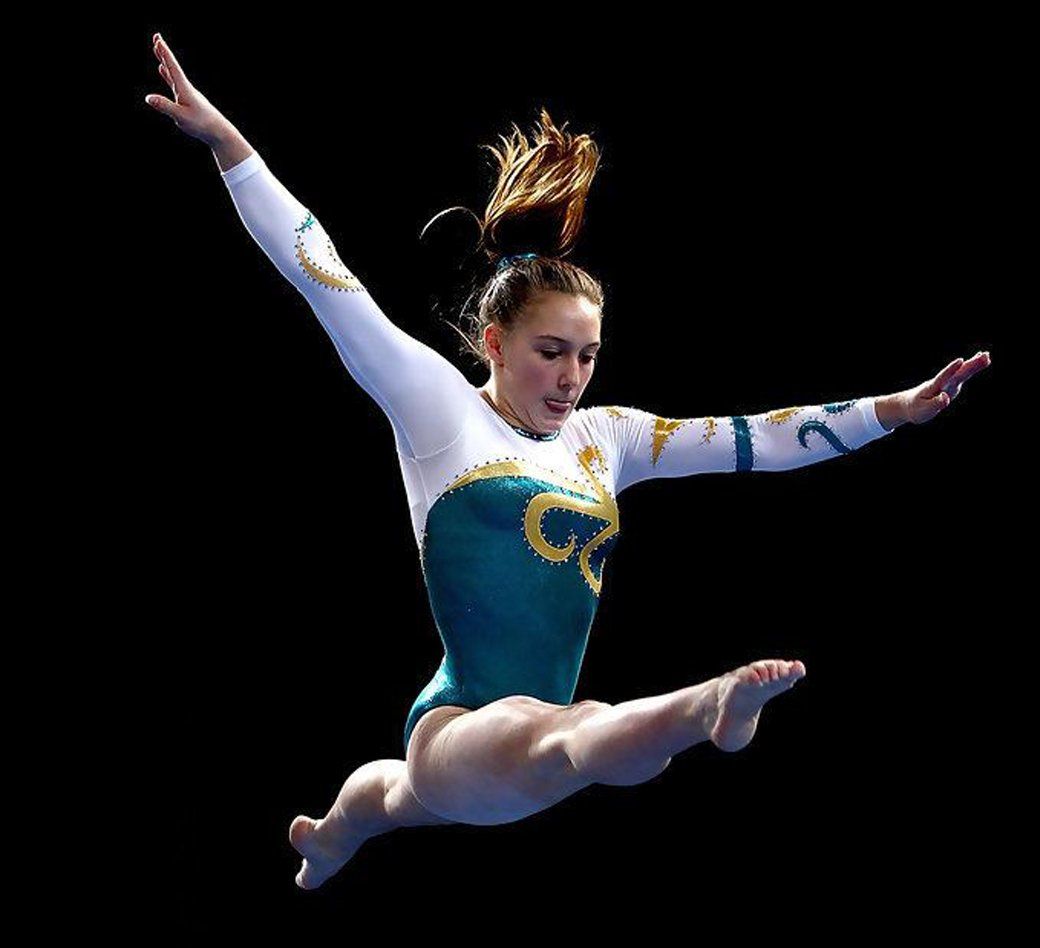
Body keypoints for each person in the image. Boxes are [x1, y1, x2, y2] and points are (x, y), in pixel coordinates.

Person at [145, 33, 992, 891]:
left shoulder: (607, 439)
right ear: (495, 343)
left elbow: (756, 438)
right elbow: (323, 276)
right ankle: (707, 708)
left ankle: (330, 835)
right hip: (468, 727)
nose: (572, 378)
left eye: (588, 356)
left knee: (402, 796)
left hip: (489, 756)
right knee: (573, 732)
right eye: (552, 353)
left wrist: (894, 411)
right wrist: (230, 146)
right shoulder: (438, 411)